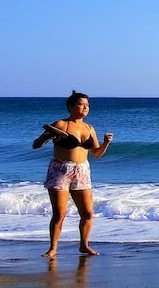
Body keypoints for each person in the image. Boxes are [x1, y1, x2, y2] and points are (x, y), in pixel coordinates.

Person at [32, 91, 114, 258]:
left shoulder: (89, 128)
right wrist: (48, 135)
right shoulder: (61, 124)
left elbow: (96, 153)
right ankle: (53, 249)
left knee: (88, 213)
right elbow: (36, 145)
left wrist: (106, 143)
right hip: (61, 170)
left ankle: (84, 245)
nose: (85, 107)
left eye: (87, 105)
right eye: (81, 104)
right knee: (59, 214)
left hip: (82, 171)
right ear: (70, 106)